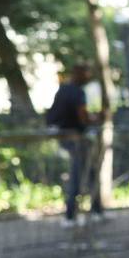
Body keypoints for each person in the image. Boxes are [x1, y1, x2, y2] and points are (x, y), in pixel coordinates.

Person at [42, 64, 94, 225]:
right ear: (79, 75)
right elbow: (82, 116)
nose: (88, 78)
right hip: (74, 138)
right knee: (79, 174)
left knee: (90, 171)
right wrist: (93, 120)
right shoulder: (77, 92)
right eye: (86, 74)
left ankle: (96, 210)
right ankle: (70, 216)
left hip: (65, 136)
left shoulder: (63, 89)